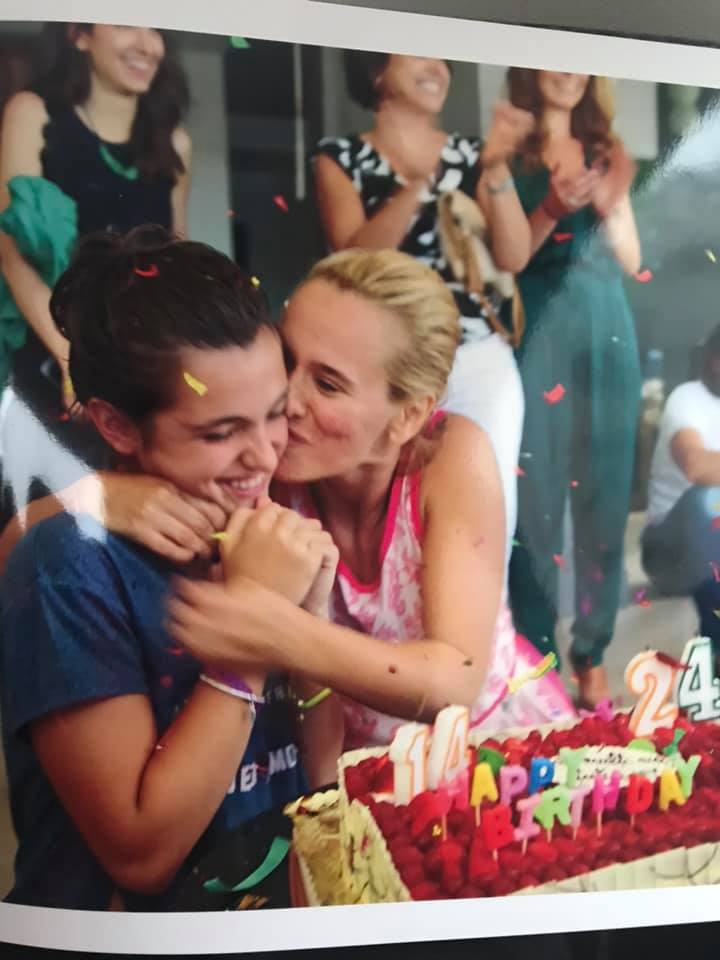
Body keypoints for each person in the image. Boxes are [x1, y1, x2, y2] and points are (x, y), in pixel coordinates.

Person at [1, 244, 575, 793]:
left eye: (327, 383)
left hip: (489, 754)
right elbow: (17, 557)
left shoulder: (450, 454)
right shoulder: (261, 458)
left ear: (408, 416)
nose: (285, 401)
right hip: (344, 772)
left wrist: (269, 630)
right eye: (288, 359)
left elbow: (455, 682)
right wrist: (97, 495)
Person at [0, 228, 336, 911]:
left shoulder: (257, 527)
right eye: (221, 432)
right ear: (116, 425)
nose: (264, 455)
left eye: (275, 415)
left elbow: (319, 773)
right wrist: (250, 636)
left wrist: (310, 621)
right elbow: (142, 855)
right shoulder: (69, 563)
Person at [313, 51, 534, 558]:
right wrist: (420, 183)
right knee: (389, 504)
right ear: (376, 70)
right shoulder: (339, 157)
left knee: (488, 504)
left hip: (476, 356)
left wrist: (494, 166)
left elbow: (514, 255)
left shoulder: (474, 154)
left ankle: (477, 607)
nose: (438, 68)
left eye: (444, 60)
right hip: (386, 361)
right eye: (420, 53)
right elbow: (352, 259)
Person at [0, 23, 191, 517]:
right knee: (39, 511)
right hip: (42, 355)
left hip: (133, 364)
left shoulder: (174, 143)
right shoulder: (32, 113)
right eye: (127, 23)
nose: (147, 44)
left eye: (156, 30)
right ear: (79, 35)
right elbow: (13, 255)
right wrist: (71, 358)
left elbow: (175, 268)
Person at [500, 69, 641, 708]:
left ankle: (592, 650)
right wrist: (552, 205)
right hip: (538, 327)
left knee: (605, 493)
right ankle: (538, 652)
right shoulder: (508, 152)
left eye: (576, 63)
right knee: (535, 496)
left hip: (607, 325)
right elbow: (506, 259)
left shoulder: (609, 151)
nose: (565, 72)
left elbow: (632, 258)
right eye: (552, 61)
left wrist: (608, 203)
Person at [642, 325, 720, 661]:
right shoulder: (688, 398)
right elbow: (695, 465)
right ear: (715, 360)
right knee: (711, 500)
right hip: (670, 550)